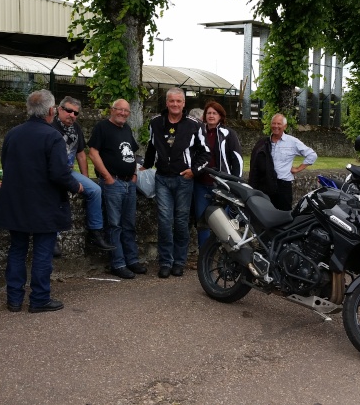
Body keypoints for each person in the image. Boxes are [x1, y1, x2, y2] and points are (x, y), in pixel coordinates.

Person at [0, 89, 83, 313]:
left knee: (17, 249)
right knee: (43, 251)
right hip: (44, 202)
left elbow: (6, 164)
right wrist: (77, 186)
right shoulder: (52, 136)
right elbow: (59, 173)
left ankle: (14, 299)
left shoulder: (13, 133)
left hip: (16, 201)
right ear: (52, 110)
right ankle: (39, 298)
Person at [142, 87, 210, 278]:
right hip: (162, 178)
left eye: (178, 101)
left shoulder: (194, 124)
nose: (175, 104)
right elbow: (151, 145)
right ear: (166, 103)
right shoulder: (155, 122)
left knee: (181, 222)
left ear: (184, 103)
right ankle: (165, 262)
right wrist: (146, 166)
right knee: (164, 222)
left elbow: (205, 152)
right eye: (171, 101)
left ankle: (179, 261)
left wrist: (194, 171)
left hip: (183, 179)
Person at [87, 99, 147, 279]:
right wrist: (106, 176)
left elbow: (133, 154)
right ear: (111, 110)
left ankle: (132, 260)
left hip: (129, 183)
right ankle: (118, 263)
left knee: (129, 225)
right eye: (119, 110)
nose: (123, 113)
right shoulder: (102, 128)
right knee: (114, 225)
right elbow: (93, 152)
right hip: (114, 183)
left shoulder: (126, 129)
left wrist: (135, 174)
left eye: (126, 111)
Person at [52, 96, 114, 251]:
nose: (72, 115)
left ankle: (95, 232)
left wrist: (85, 178)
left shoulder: (76, 128)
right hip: (52, 171)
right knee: (55, 193)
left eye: (76, 113)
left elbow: (80, 154)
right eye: (69, 111)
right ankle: (53, 238)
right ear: (59, 109)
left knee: (95, 190)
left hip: (68, 171)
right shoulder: (50, 126)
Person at [193, 101, 243, 248]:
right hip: (201, 184)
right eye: (208, 113)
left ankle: (224, 253)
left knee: (223, 222)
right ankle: (204, 254)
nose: (211, 116)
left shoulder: (228, 134)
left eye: (214, 113)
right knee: (203, 221)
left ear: (220, 116)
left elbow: (237, 159)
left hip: (221, 185)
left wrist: (236, 184)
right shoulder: (198, 133)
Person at [248, 113, 317, 211]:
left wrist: (298, 168)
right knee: (265, 214)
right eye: (274, 123)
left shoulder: (292, 142)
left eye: (279, 124)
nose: (276, 126)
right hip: (265, 185)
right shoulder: (263, 143)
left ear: (285, 126)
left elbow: (312, 155)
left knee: (284, 215)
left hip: (283, 186)